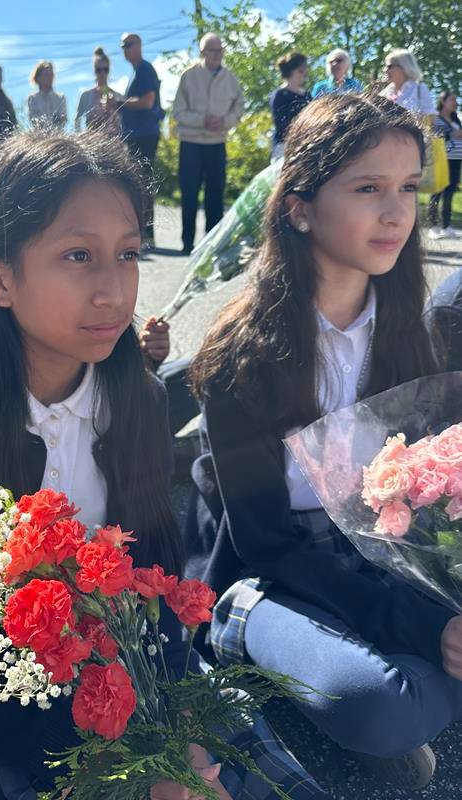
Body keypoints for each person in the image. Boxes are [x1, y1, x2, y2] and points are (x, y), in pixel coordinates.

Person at [0, 128, 330, 800]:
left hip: (136, 666)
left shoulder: (137, 397)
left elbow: (156, 573)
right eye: (78, 255)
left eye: (127, 255)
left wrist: (178, 723)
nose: (112, 290)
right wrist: (124, 764)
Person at [186, 93, 462, 791]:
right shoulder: (240, 354)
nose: (396, 212)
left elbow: (425, 506)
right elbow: (263, 539)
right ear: (300, 207)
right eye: (368, 188)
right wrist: (427, 628)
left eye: (407, 188)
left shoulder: (417, 335)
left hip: (388, 567)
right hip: (273, 576)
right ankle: (266, 662)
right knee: (385, 708)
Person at [172, 33, 245, 255]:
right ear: (203, 52)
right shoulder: (189, 76)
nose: (217, 54)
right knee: (189, 193)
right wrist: (202, 120)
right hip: (190, 143)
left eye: (220, 50)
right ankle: (187, 244)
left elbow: (239, 108)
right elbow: (178, 112)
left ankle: (213, 246)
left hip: (217, 143)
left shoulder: (231, 79)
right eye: (212, 50)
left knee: (215, 194)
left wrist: (225, 122)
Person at [119, 32, 163, 247]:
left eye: (129, 44)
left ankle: (146, 235)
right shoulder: (136, 72)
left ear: (139, 45)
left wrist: (120, 103)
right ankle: (144, 234)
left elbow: (147, 102)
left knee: (142, 183)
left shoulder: (144, 69)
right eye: (123, 46)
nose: (125, 49)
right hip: (138, 133)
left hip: (145, 134)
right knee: (138, 184)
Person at [428, 90, 462, 240]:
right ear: (443, 101)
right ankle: (433, 227)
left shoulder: (456, 119)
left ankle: (446, 226)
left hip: (456, 160)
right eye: (452, 100)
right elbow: (432, 136)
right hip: (442, 160)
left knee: (450, 193)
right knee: (437, 192)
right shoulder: (436, 118)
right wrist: (451, 135)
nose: (456, 102)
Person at [270, 52, 310, 162]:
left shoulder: (307, 95)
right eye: (301, 70)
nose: (305, 74)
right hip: (284, 147)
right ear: (292, 70)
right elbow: (281, 125)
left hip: (306, 145)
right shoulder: (280, 95)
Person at [74, 47, 123, 135]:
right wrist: (81, 137)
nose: (102, 73)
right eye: (98, 70)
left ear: (109, 70)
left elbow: (122, 123)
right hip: (93, 143)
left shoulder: (117, 96)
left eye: (105, 69)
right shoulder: (86, 95)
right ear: (94, 71)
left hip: (114, 143)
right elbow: (77, 120)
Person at [379, 48, 434, 115]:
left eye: (389, 67)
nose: (386, 70)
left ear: (403, 66)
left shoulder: (420, 89)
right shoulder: (385, 92)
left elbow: (430, 118)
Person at [27, 61, 68, 129]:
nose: (50, 77)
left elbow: (63, 119)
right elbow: (33, 119)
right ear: (38, 78)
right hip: (39, 137)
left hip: (57, 136)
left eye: (51, 74)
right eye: (46, 74)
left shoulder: (60, 98)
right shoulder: (33, 99)